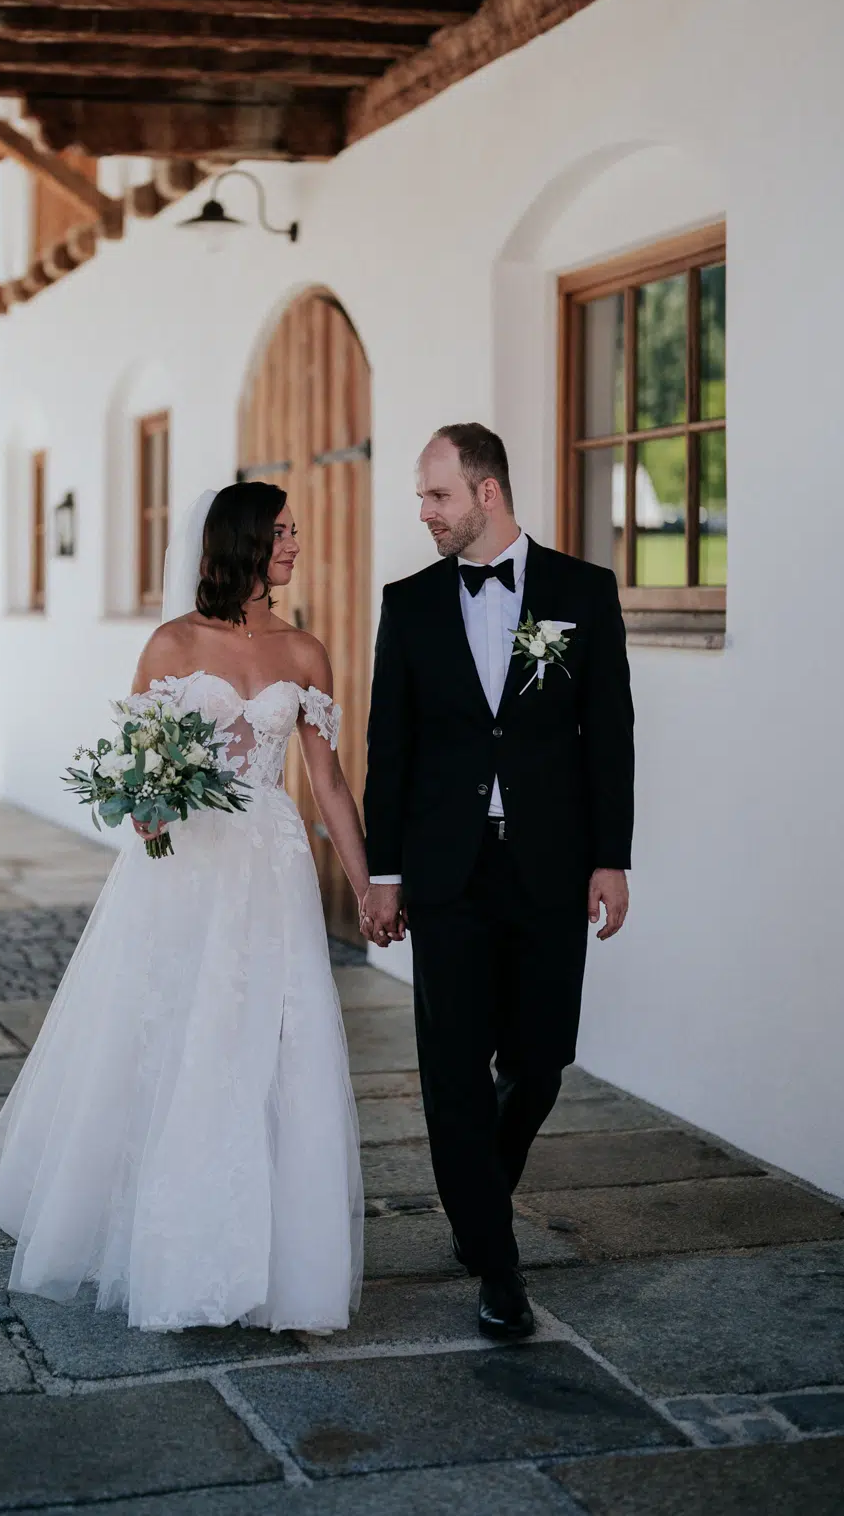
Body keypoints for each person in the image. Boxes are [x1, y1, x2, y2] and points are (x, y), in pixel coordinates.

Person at [0, 482, 367, 1333]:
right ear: (246, 542)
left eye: (295, 532)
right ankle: (173, 1246)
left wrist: (368, 886)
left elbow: (326, 779)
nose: (295, 544)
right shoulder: (172, 644)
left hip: (274, 868)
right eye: (284, 532)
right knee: (177, 1032)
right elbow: (135, 766)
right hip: (184, 865)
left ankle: (273, 1259)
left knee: (274, 1039)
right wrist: (148, 809)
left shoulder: (306, 653)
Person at [360, 424, 634, 1343]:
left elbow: (611, 734)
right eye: (420, 499)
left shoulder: (582, 593)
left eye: (437, 497)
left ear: (487, 494)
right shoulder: (408, 603)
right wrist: (386, 872)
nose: (425, 514)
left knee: (542, 1055)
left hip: (553, 864)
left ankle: (483, 1187)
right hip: (447, 873)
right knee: (452, 1069)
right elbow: (387, 750)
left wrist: (612, 856)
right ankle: (497, 1262)